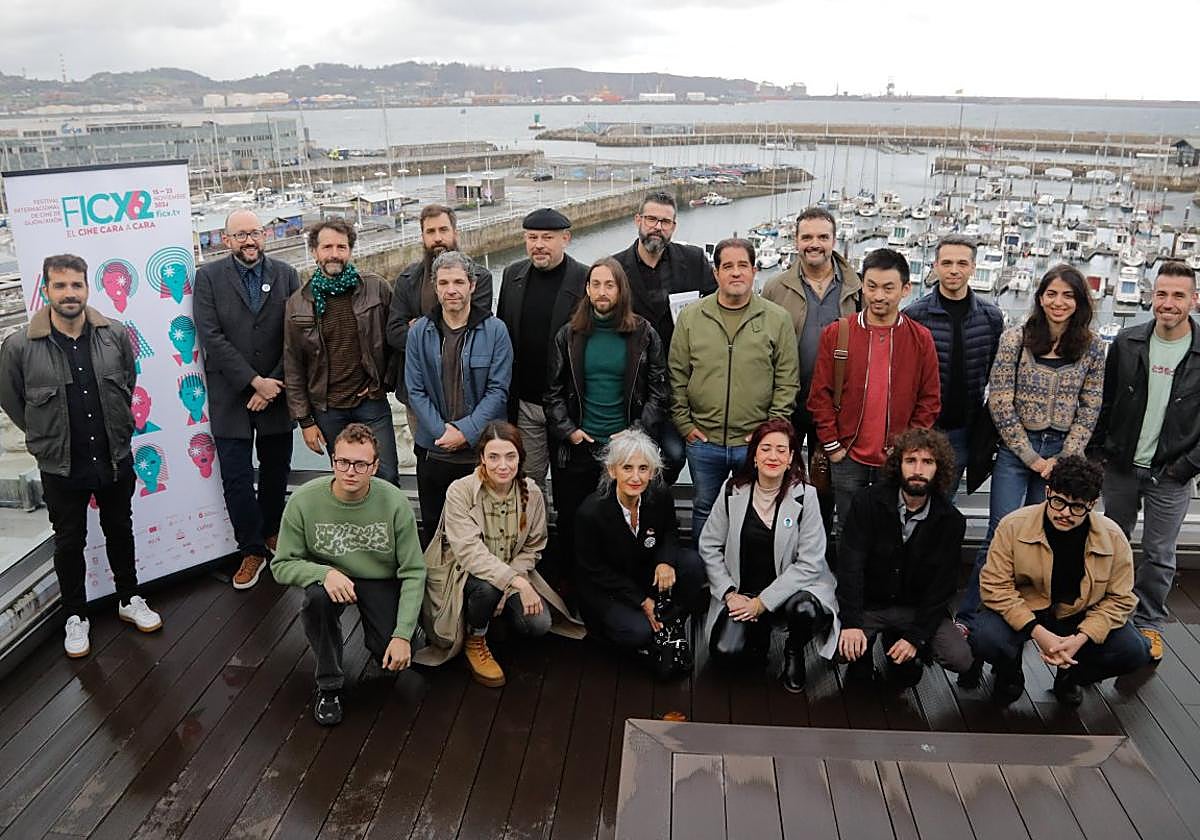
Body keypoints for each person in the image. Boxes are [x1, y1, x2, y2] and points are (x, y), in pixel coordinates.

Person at [0, 254, 161, 658]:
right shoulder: (20, 346)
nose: (69, 293)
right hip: (60, 465)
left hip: (113, 456)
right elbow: (13, 401)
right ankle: (76, 616)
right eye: (60, 286)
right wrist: (45, 438)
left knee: (120, 530)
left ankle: (129, 598)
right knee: (69, 542)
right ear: (47, 290)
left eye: (76, 285)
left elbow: (127, 382)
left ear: (88, 289)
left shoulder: (116, 335)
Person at [956, 264, 1106, 650]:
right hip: (1015, 451)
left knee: (1045, 538)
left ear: (1079, 302)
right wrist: (1030, 456)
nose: (1059, 302)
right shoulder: (1016, 340)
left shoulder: (1092, 347)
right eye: (1052, 294)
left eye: (1068, 295)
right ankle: (971, 615)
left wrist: (1064, 459)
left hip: (1063, 454)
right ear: (1040, 297)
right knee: (1000, 533)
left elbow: (1090, 407)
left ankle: (1031, 620)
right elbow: (1001, 400)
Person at [270, 423, 425, 726]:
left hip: (379, 577)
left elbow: (414, 571)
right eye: (342, 462)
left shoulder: (394, 502)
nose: (350, 471)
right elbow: (281, 565)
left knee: (390, 656)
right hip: (332, 577)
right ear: (332, 462)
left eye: (360, 464)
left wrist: (402, 634)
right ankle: (329, 685)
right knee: (316, 600)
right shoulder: (304, 500)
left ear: (375, 466)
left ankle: (409, 631)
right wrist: (323, 572)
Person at [974, 456, 1151, 706]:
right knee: (984, 638)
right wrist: (1037, 632)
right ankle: (1009, 672)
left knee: (1135, 651)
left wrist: (1081, 638)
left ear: (1092, 503)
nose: (1065, 513)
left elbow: (1121, 599)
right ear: (1048, 492)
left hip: (1080, 613)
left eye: (1077, 507)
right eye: (1058, 502)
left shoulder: (1112, 537)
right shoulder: (1013, 525)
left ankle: (1071, 675)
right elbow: (995, 586)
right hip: (1027, 608)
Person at [1091, 260, 1200, 661]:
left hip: (1172, 472)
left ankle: (1149, 623)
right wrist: (1097, 454)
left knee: (1159, 554)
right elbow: (1107, 402)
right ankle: (1104, 616)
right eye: (1161, 294)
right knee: (1108, 545)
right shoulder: (1127, 341)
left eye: (1177, 295)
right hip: (1120, 466)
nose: (1168, 303)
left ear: (1194, 300)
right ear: (1151, 296)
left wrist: (1186, 465)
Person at [415, 421, 577, 687]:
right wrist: (515, 582)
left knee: (539, 624)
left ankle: (491, 617)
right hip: (465, 576)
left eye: (510, 456)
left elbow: (533, 546)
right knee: (488, 589)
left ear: (520, 458)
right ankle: (475, 637)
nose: (503, 465)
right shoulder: (461, 491)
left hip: (511, 573)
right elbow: (470, 554)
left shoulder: (532, 493)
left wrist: (513, 579)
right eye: (494, 456)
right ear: (482, 458)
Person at [544, 257, 669, 586]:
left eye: (609, 285)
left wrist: (635, 432)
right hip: (581, 447)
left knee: (624, 527)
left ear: (620, 290)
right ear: (587, 289)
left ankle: (626, 594)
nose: (602, 291)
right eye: (595, 284)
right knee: (575, 524)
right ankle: (576, 594)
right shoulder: (568, 335)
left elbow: (659, 390)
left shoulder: (643, 333)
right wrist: (569, 432)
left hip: (625, 451)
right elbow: (553, 393)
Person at [193, 209, 301, 589]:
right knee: (236, 478)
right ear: (226, 241)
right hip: (231, 395)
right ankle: (251, 549)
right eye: (240, 235)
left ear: (266, 235)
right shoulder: (207, 278)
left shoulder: (287, 275)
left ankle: (273, 531)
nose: (249, 241)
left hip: (276, 392)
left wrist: (270, 383)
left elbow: (296, 336)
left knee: (275, 472)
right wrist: (252, 382)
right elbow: (210, 336)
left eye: (254, 233)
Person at [668, 237, 798, 542]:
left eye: (743, 266)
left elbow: (787, 380)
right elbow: (676, 375)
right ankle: (706, 579)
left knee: (756, 511)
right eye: (728, 266)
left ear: (754, 271)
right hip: (704, 441)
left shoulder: (776, 319)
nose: (736, 273)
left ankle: (748, 578)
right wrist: (685, 425)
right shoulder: (691, 317)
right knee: (704, 508)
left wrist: (769, 433)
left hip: (754, 443)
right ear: (716, 274)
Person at [699, 419, 840, 693]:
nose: (772, 456)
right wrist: (729, 594)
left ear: (790, 459)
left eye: (780, 450)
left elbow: (810, 563)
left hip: (794, 590)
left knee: (805, 610)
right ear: (754, 456)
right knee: (725, 654)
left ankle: (794, 650)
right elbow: (708, 545)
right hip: (744, 590)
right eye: (765, 449)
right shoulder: (732, 490)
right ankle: (758, 632)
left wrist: (763, 603)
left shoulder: (806, 496)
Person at [806, 247, 940, 536]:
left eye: (888, 288)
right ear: (862, 286)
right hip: (847, 456)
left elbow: (929, 400)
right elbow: (820, 393)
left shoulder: (920, 339)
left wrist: (905, 448)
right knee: (846, 528)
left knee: (891, 529)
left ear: (905, 289)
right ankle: (848, 582)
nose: (879, 296)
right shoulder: (838, 332)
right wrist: (833, 446)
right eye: (872, 286)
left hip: (894, 458)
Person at [836, 428, 973, 687]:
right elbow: (849, 567)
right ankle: (863, 657)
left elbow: (943, 587)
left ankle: (903, 648)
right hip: (870, 606)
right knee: (838, 649)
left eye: (927, 462)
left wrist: (916, 638)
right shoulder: (867, 502)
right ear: (898, 465)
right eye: (911, 461)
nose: (918, 469)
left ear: (938, 468)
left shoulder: (951, 521)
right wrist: (851, 623)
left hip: (914, 609)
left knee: (959, 658)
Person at [573, 429, 705, 673]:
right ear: (612, 471)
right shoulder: (591, 513)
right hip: (607, 588)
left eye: (643, 468)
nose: (636, 477)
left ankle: (668, 621)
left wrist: (665, 561)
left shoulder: (660, 494)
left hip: (641, 572)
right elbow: (594, 570)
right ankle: (624, 634)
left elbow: (669, 532)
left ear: (652, 471)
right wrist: (642, 600)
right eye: (627, 468)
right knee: (636, 632)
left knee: (692, 564)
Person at [406, 250, 512, 544]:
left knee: (485, 531)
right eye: (443, 283)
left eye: (458, 282)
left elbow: (498, 390)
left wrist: (464, 431)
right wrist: (443, 432)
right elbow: (415, 389)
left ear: (472, 286)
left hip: (480, 453)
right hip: (434, 450)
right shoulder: (419, 333)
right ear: (435, 287)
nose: (451, 290)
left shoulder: (495, 331)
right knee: (436, 529)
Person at [283, 219, 400, 485]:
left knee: (386, 474)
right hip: (328, 408)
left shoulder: (376, 288)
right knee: (349, 480)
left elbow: (396, 342)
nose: (334, 254)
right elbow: (293, 365)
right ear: (314, 252)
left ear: (350, 251)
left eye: (341, 247)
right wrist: (305, 421)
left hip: (371, 402)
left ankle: (388, 527)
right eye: (327, 247)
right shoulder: (298, 303)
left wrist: (383, 383)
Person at [613, 191, 716, 483]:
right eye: (651, 219)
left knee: (674, 454)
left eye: (665, 221)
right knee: (630, 455)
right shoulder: (616, 267)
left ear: (674, 226)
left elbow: (712, 308)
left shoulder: (694, 260)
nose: (658, 227)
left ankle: (656, 496)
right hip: (633, 383)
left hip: (679, 381)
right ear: (638, 221)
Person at [903, 234, 1004, 500]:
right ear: (935, 266)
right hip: (923, 426)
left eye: (961, 263)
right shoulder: (915, 315)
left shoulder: (990, 317)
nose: (954, 270)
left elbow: (992, 370)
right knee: (912, 498)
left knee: (944, 502)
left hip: (963, 428)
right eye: (947, 263)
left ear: (973, 267)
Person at [496, 208, 587, 495]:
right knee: (529, 483)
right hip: (525, 402)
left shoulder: (585, 279)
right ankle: (536, 538)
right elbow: (502, 335)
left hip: (566, 404)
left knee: (569, 482)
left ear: (566, 239)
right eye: (532, 237)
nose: (538, 245)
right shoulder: (512, 276)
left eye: (547, 238)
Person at [761, 207, 861, 468]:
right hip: (788, 405)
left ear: (833, 241)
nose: (814, 245)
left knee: (827, 481)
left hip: (836, 407)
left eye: (822, 237)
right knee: (784, 475)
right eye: (806, 238)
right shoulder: (775, 288)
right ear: (796, 241)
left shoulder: (857, 288)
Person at [385, 203, 493, 435]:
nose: (437, 238)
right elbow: (394, 332)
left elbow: (474, 332)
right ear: (422, 237)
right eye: (430, 232)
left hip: (468, 390)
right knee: (426, 454)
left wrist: (418, 328)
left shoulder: (480, 278)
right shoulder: (407, 280)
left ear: (455, 232)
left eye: (443, 230)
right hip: (419, 393)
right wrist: (436, 332)